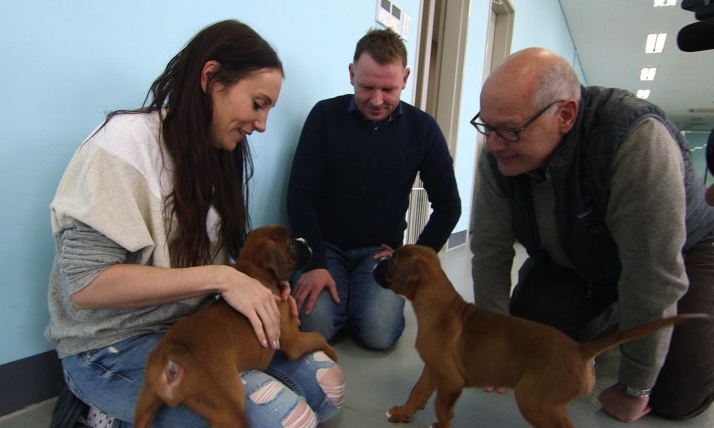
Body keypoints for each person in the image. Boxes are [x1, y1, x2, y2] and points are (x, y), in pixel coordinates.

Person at [45, 20, 344, 428]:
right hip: (111, 343)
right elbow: (83, 285)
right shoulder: (122, 146)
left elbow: (221, 263)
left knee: (326, 388)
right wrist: (222, 279)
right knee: (283, 420)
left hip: (195, 329)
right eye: (258, 104)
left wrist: (263, 289)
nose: (262, 125)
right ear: (211, 79)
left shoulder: (217, 157)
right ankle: (99, 410)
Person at [469, 47, 714, 422]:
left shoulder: (637, 142)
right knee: (525, 351)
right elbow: (489, 248)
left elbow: (652, 275)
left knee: (676, 397)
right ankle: (613, 312)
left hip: (685, 254)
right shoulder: (499, 152)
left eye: (511, 130)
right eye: (487, 126)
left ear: (564, 115)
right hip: (576, 261)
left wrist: (635, 387)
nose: (495, 143)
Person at [287, 28, 461, 351]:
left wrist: (410, 259)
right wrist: (315, 264)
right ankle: (344, 302)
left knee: (379, 334)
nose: (377, 100)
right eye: (367, 87)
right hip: (324, 247)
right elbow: (300, 195)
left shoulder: (423, 130)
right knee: (315, 327)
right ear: (352, 74)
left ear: (406, 79)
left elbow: (449, 205)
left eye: (388, 89)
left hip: (380, 252)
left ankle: (357, 304)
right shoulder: (324, 117)